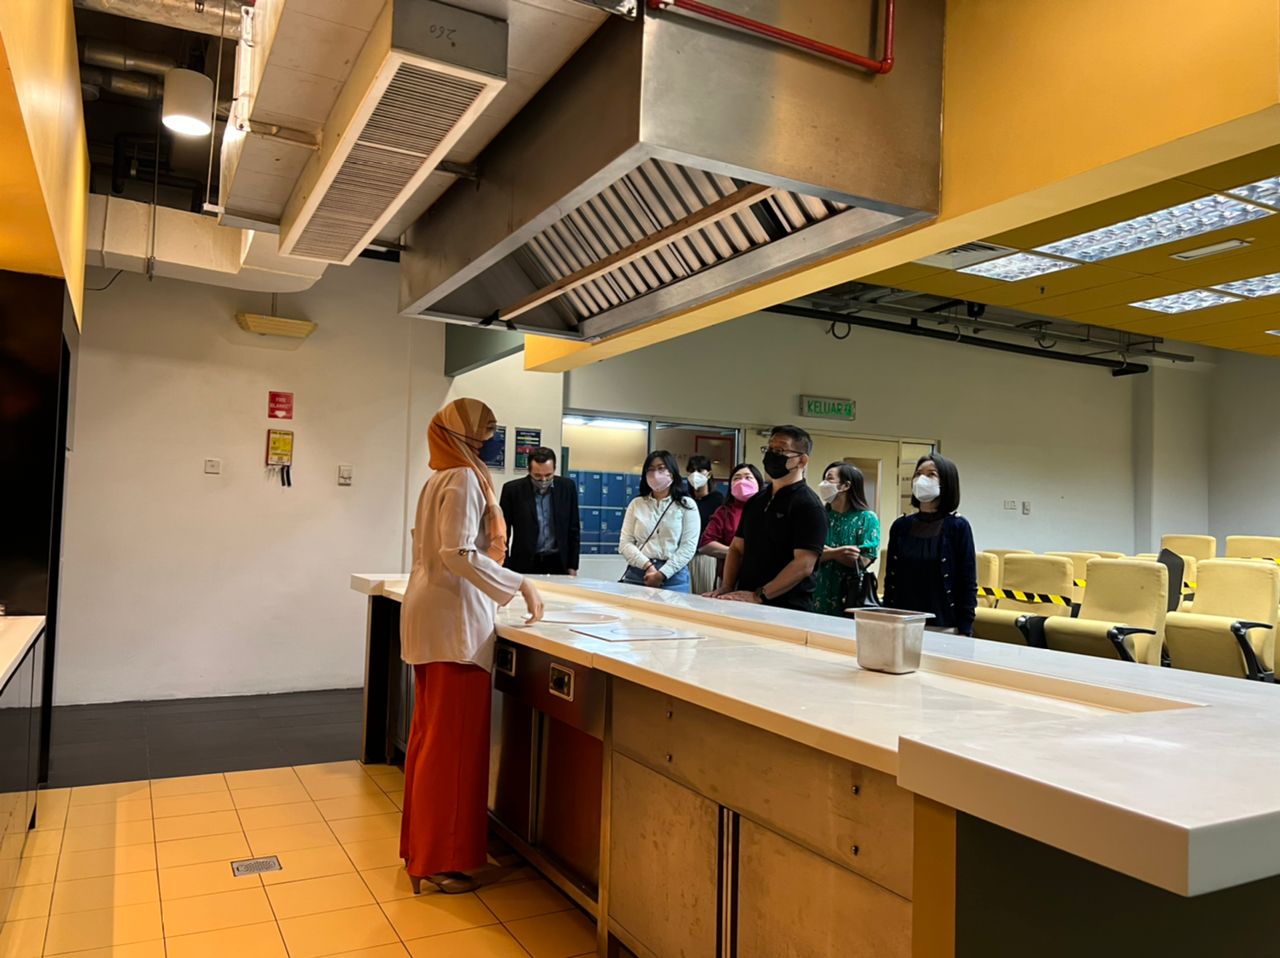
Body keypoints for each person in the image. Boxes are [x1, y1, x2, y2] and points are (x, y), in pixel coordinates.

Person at [399, 398, 545, 896]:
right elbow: (457, 551)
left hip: (434, 617)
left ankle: (421, 850)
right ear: (461, 436)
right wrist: (517, 583)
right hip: (454, 623)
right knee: (452, 748)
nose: (487, 442)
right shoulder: (463, 478)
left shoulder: (439, 477)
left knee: (430, 741)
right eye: (482, 434)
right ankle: (440, 859)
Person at [710, 426, 827, 610]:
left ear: (802, 460)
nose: (772, 455)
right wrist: (727, 586)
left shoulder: (809, 506)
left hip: (787, 607)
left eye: (780, 450)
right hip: (745, 599)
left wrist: (760, 594)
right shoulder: (756, 500)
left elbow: (804, 564)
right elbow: (737, 548)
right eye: (769, 449)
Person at [882, 453, 977, 635]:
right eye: (918, 474)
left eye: (931, 474)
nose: (922, 479)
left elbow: (967, 582)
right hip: (902, 622)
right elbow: (891, 578)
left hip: (943, 624)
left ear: (946, 482)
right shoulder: (900, 526)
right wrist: (887, 616)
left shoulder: (958, 526)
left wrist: (965, 628)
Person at [618, 450, 700, 593]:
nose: (656, 474)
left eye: (661, 468)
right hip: (638, 574)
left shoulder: (686, 505)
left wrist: (662, 574)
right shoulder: (636, 504)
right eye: (651, 469)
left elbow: (688, 547)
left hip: (673, 577)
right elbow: (625, 543)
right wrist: (648, 566)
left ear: (672, 472)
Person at [812, 462, 882, 616]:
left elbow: (863, 560)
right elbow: (808, 555)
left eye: (829, 479)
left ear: (845, 486)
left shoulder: (867, 518)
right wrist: (838, 553)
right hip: (817, 594)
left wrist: (826, 552)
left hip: (850, 595)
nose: (823, 484)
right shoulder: (819, 516)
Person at [499, 447, 580, 577]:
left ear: (554, 469)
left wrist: (572, 565)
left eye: (548, 475)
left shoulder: (567, 487)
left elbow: (574, 528)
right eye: (537, 476)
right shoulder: (512, 490)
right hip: (524, 562)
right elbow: (503, 531)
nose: (543, 480)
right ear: (529, 471)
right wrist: (504, 564)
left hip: (558, 562)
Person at [698, 462, 763, 579]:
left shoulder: (769, 509)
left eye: (748, 477)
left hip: (765, 578)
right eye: (737, 478)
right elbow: (705, 544)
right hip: (730, 578)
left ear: (758, 483)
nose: (742, 482)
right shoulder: (724, 511)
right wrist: (736, 553)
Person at [686, 454, 724, 531]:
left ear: (709, 474)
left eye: (700, 471)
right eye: (692, 471)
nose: (695, 474)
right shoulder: (685, 500)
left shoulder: (718, 500)